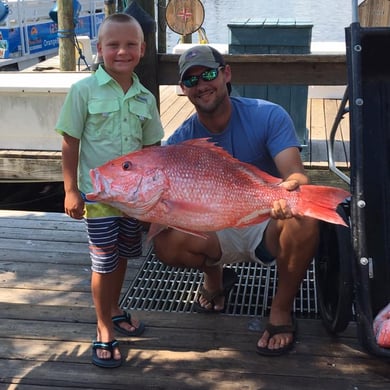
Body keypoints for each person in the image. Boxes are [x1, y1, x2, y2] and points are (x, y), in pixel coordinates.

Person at [153, 45, 319, 356]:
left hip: (266, 220)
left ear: (226, 73)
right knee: (165, 241)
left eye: (209, 74)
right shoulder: (179, 144)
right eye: (191, 81)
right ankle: (215, 278)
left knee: (304, 214)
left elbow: (296, 175)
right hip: (218, 228)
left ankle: (281, 309)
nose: (202, 85)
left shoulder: (268, 115)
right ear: (182, 89)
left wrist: (288, 191)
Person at [55, 13, 164, 368]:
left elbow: (153, 153)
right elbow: (70, 142)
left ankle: (114, 308)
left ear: (143, 49)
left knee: (122, 257)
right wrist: (71, 190)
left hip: (134, 203)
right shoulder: (83, 92)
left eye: (131, 44)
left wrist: (155, 202)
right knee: (103, 262)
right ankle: (104, 328)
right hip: (100, 199)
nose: (122, 51)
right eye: (113, 45)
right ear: (99, 49)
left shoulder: (146, 98)